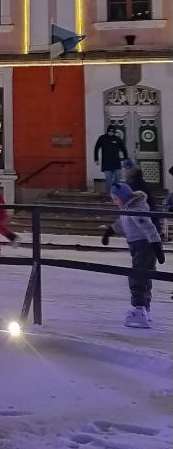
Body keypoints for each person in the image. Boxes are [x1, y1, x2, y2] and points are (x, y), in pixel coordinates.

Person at [102, 182, 165, 328]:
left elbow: (149, 228)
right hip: (138, 246)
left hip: (145, 246)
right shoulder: (127, 209)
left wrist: (157, 246)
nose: (114, 202)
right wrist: (109, 232)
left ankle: (139, 310)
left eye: (116, 199)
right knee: (144, 275)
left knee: (137, 276)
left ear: (123, 197)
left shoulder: (136, 210)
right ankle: (144, 309)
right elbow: (122, 223)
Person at [94, 124, 128, 193]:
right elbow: (96, 148)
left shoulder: (117, 139)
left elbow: (123, 148)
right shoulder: (102, 138)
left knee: (118, 176)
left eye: (112, 132)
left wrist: (126, 157)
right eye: (109, 131)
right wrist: (96, 159)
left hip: (116, 162)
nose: (111, 133)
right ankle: (110, 193)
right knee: (108, 179)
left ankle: (115, 187)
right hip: (106, 162)